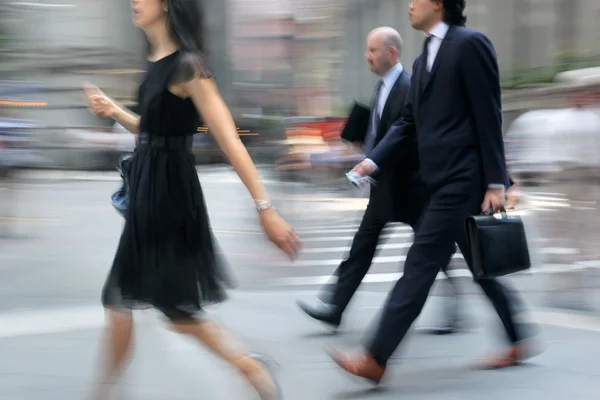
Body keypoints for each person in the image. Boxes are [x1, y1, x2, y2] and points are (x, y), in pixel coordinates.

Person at [82, 0, 299, 399]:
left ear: (165, 4)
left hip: (168, 199)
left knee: (136, 303)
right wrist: (113, 110)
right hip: (149, 194)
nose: (134, 1)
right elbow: (153, 129)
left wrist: (265, 209)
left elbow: (228, 138)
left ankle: (249, 367)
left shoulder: (189, 66)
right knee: (161, 309)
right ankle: (250, 367)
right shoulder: (155, 63)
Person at [326, 0, 540, 384]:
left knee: (420, 264)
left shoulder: (469, 44)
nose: (409, 4)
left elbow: (488, 112)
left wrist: (496, 182)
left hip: (463, 180)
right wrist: (372, 161)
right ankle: (518, 338)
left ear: (439, 3)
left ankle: (376, 357)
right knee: (480, 266)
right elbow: (408, 122)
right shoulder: (425, 58)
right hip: (438, 181)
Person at [297, 26, 461, 334]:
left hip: (413, 189)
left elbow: (412, 137)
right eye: (368, 49)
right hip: (383, 188)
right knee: (361, 248)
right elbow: (387, 132)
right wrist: (367, 147)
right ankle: (335, 308)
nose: (367, 56)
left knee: (432, 252)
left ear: (392, 52)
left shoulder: (410, 87)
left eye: (373, 50)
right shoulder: (380, 89)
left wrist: (375, 160)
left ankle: (455, 307)